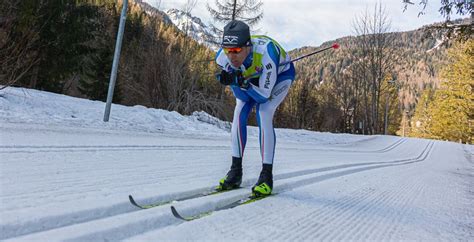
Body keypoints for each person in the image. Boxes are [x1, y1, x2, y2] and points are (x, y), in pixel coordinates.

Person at [215, 20, 296, 196]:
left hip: (280, 75)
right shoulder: (222, 57)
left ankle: (266, 176)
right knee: (239, 110)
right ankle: (235, 171)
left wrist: (242, 83)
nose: (231, 56)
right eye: (228, 50)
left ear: (247, 46)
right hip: (252, 78)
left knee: (263, 111)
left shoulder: (267, 55)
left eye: (236, 51)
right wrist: (235, 82)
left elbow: (262, 96)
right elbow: (242, 97)